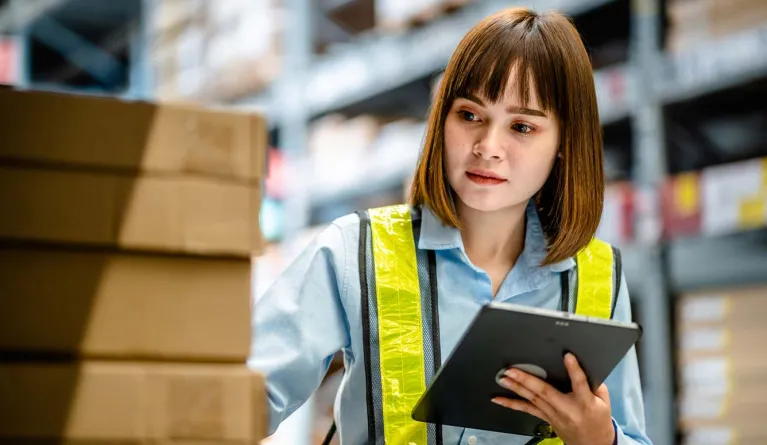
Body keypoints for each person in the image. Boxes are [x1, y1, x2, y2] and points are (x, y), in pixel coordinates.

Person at [250, 6, 653, 445]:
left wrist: (602, 440)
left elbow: (632, 435)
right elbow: (235, 401)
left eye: (521, 126)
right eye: (469, 115)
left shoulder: (599, 276)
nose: (487, 146)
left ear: (564, 142)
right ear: (442, 119)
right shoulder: (354, 251)